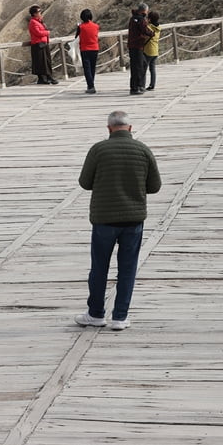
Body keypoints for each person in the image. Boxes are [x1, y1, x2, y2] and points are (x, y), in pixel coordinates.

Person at [75, 110, 161, 332]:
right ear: (130, 128)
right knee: (127, 268)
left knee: (99, 268)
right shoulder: (143, 149)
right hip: (133, 219)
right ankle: (120, 317)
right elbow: (155, 187)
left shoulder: (98, 150)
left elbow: (84, 182)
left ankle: (95, 314)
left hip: (104, 219)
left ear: (109, 128)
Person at [126, 2, 153, 95]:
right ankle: (135, 88)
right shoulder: (140, 19)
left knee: (142, 64)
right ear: (143, 11)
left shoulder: (133, 18)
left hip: (132, 45)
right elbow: (144, 29)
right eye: (146, 11)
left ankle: (139, 85)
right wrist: (151, 33)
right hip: (137, 45)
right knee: (138, 66)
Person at [27, 5, 57, 84]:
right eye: (39, 12)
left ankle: (44, 78)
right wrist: (47, 32)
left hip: (43, 43)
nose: (40, 13)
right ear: (34, 14)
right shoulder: (33, 22)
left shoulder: (39, 21)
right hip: (38, 44)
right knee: (41, 62)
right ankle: (46, 77)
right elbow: (38, 33)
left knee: (45, 61)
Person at [75, 9, 100, 94]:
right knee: (92, 68)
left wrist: (78, 26)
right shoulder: (96, 26)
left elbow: (76, 36)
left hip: (85, 49)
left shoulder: (81, 27)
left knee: (87, 68)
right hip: (95, 48)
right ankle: (91, 84)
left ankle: (91, 86)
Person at [143, 11, 161, 91]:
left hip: (148, 50)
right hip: (155, 50)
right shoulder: (158, 28)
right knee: (152, 69)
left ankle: (142, 85)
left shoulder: (149, 27)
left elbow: (145, 36)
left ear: (149, 19)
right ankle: (152, 85)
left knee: (143, 69)